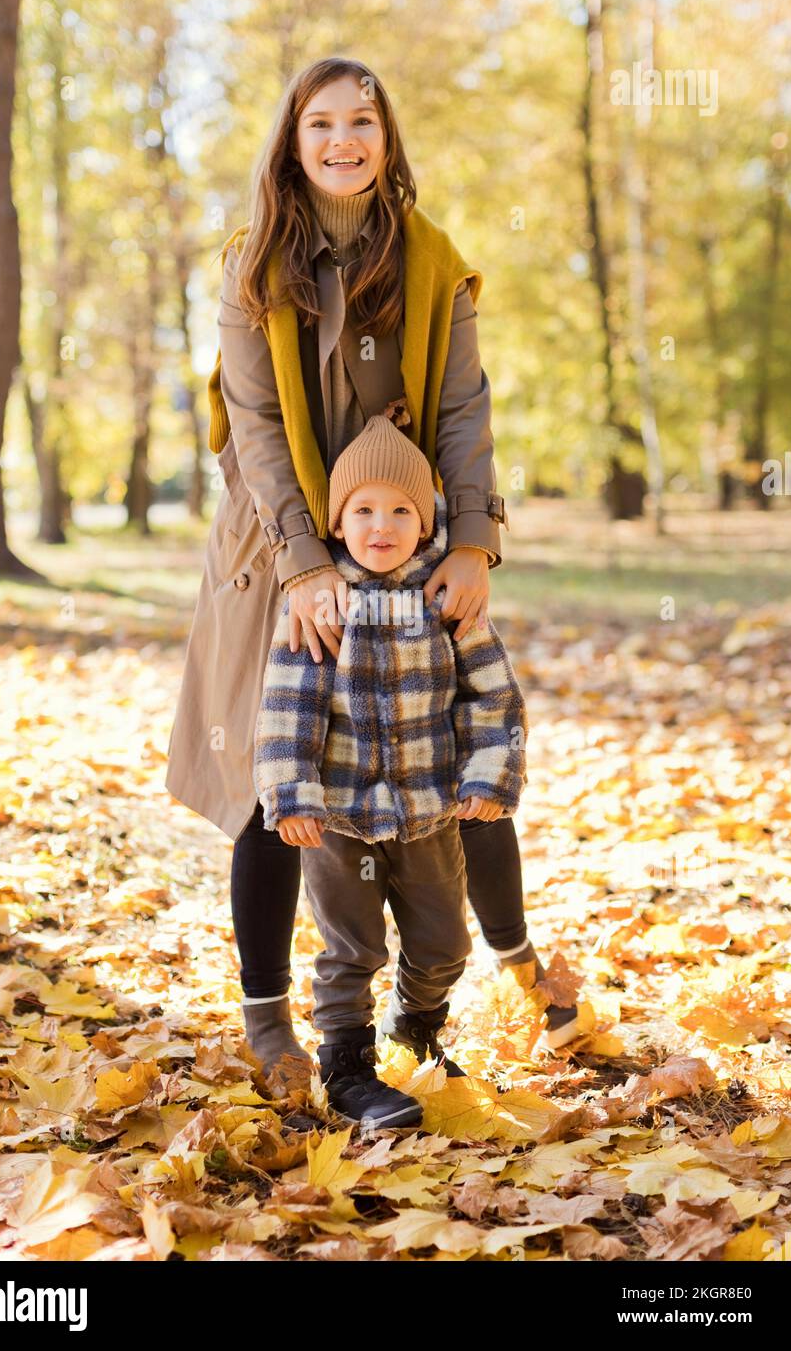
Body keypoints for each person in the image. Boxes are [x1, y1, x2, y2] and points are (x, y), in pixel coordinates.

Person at [165, 56, 584, 1077]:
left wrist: (474, 539)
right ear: (291, 141)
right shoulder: (251, 264)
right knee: (277, 780)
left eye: (362, 121)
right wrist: (307, 562)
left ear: (386, 138)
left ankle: (508, 966)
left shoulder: (431, 258)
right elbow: (258, 428)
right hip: (280, 547)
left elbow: (464, 410)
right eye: (320, 124)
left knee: (453, 759)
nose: (342, 140)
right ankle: (271, 1022)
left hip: (409, 535)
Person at [254, 410, 529, 1131]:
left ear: (428, 515)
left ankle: (418, 1028)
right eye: (364, 509)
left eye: (402, 509)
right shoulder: (321, 603)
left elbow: (492, 696)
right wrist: (291, 794)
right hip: (339, 818)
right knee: (352, 948)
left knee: (444, 943)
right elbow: (289, 706)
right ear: (338, 522)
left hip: (428, 811)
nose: (383, 524)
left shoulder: (447, 600)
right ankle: (348, 1065)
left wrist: (487, 777)